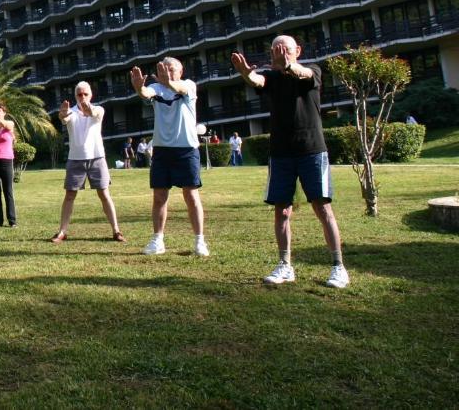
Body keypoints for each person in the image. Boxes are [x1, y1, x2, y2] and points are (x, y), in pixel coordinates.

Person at [232, 35, 349, 288]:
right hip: (281, 153)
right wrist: (245, 73)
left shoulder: (313, 70)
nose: (280, 52)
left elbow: (304, 74)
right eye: (275, 48)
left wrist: (289, 66)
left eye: (285, 48)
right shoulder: (271, 77)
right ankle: (285, 266)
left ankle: (338, 267)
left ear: (297, 50)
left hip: (312, 150)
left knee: (322, 208)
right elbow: (257, 79)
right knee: (282, 211)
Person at [131, 59, 209, 257]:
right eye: (162, 69)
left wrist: (169, 82)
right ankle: (157, 240)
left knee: (191, 196)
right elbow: (147, 93)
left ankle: (200, 241)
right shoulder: (156, 87)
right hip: (162, 151)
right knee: (159, 197)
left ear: (181, 70)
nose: (166, 71)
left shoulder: (189, 85)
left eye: (171, 69)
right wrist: (139, 88)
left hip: (187, 150)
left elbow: (179, 87)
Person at [50, 81, 125, 244]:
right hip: (75, 159)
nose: (82, 97)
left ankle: (116, 230)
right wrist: (62, 114)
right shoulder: (71, 112)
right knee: (69, 195)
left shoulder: (99, 109)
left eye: (85, 94)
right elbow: (64, 117)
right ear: (75, 96)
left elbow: (93, 113)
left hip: (97, 158)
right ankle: (62, 231)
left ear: (91, 95)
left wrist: (87, 108)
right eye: (79, 94)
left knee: (104, 194)